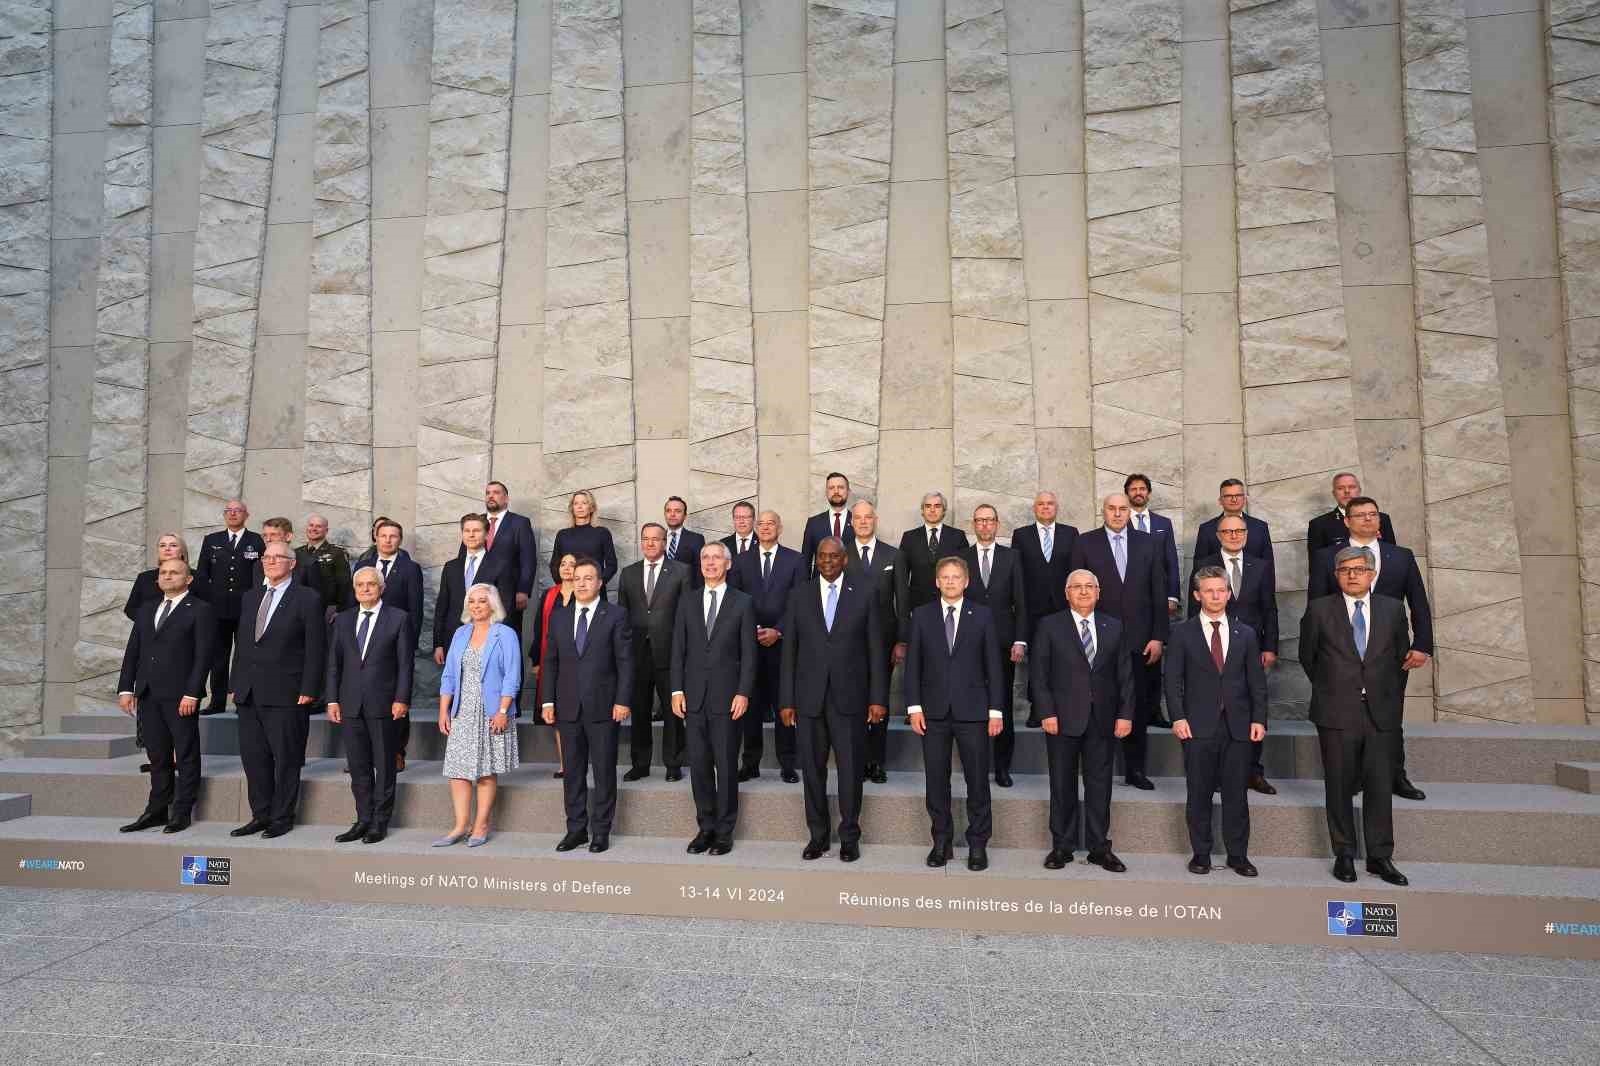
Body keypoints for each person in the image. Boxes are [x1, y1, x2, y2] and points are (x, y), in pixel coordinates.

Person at [1307, 496, 1432, 801]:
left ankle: (1394, 776)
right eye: (1359, 515)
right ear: (1346, 521)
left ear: (1380, 520)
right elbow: (1315, 606)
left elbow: (1418, 603)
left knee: (1389, 718)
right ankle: (1351, 779)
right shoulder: (1328, 558)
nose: (1367, 519)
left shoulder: (1400, 556)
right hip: (1342, 658)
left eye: (1372, 514)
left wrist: (1422, 645)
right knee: (1346, 721)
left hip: (1389, 655)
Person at [1300, 546, 1412, 886]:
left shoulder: (1393, 609)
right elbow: (1309, 658)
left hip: (1381, 713)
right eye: (1345, 569)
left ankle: (1380, 857)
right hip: (1336, 711)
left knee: (1380, 785)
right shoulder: (1319, 610)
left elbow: (1399, 659)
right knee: (1339, 784)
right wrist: (1339, 689)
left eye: (1359, 569)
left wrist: (1382, 694)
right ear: (1336, 575)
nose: (1352, 574)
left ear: (1372, 574)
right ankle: (1344, 854)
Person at [778, 537, 887, 862]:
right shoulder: (799, 595)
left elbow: (875, 650)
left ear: (845, 559)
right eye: (822, 557)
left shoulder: (865, 593)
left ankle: (849, 836)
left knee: (851, 770)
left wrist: (878, 698)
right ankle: (818, 836)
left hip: (850, 699)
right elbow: (789, 652)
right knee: (812, 770)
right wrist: (786, 701)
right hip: (808, 699)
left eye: (834, 557)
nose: (827, 562)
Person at [904, 556, 1005, 871]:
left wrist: (996, 711)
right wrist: (914, 707)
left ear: (966, 581)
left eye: (956, 576)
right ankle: (941, 842)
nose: (950, 582)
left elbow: (994, 667)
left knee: (977, 781)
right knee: (936, 780)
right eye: (945, 577)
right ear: (937, 582)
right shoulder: (921, 615)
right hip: (932, 712)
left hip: (973, 711)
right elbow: (913, 666)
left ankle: (977, 844)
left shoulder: (984, 616)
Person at [1166, 567, 1268, 877]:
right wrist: (1178, 716)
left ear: (1228, 593)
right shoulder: (1182, 633)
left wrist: (1259, 719)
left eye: (1220, 590)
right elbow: (1172, 680)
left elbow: (1257, 682)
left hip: (1237, 726)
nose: (1215, 595)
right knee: (1199, 792)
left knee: (1237, 793)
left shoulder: (1246, 633)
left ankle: (1238, 855)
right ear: (1197, 595)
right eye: (1208, 590)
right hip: (1197, 725)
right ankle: (1201, 853)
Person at [1031, 569, 1134, 872]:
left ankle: (1098, 848)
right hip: (1061, 720)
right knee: (1061, 784)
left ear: (1099, 592)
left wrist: (1125, 714)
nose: (1084, 591)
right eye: (1077, 587)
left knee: (1099, 786)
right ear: (1067, 593)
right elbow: (1039, 675)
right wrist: (1046, 712)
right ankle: (1061, 846)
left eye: (1090, 586)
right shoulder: (1050, 626)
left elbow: (1125, 676)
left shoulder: (1114, 626)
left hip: (1102, 719)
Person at [1069, 494, 1169, 790]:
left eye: (1122, 508)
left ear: (1131, 512)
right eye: (1111, 508)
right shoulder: (1085, 543)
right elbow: (1076, 591)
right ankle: (1096, 771)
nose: (1117, 513)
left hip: (1140, 642)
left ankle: (1135, 770)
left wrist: (1159, 636)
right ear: (1103, 511)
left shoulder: (1148, 543)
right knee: (1098, 704)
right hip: (1096, 641)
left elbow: (1158, 593)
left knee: (1135, 707)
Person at [228, 543, 326, 838]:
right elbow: (242, 644)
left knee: (286, 758)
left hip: (288, 692)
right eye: (266, 557)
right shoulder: (251, 597)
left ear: (292, 563)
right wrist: (235, 683)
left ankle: (282, 817)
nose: (270, 561)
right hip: (249, 692)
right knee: (254, 758)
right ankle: (261, 814)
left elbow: (316, 647)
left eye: (277, 557)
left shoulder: (307, 598)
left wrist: (310, 688)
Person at [115, 558, 214, 835]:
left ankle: (181, 811)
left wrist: (193, 692)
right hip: (148, 694)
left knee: (185, 754)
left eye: (175, 572)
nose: (168, 576)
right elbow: (133, 651)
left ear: (189, 578)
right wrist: (126, 688)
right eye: (164, 573)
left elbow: (203, 656)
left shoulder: (200, 610)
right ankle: (157, 810)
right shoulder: (147, 609)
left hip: (181, 696)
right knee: (157, 755)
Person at [540, 557, 632, 853]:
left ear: (600, 583)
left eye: (588, 578)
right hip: (567, 708)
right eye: (577, 578)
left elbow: (626, 663)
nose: (581, 583)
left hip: (604, 708)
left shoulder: (615, 615)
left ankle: (601, 832)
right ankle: (576, 829)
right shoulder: (559, 617)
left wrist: (622, 700)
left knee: (604, 772)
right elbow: (550, 663)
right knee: (573, 773)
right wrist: (547, 701)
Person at [671, 543, 757, 855]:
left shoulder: (743, 603)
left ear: (728, 564)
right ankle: (705, 827)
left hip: (727, 699)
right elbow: (678, 650)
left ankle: (724, 831)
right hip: (692, 698)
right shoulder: (687, 601)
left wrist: (743, 692)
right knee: (699, 765)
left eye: (716, 558)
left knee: (725, 765)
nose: (709, 562)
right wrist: (676, 690)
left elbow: (749, 654)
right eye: (704, 557)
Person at [1188, 514, 1280, 794]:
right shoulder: (1204, 565)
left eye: (1239, 531)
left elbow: (1270, 608)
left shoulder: (1261, 566)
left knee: (1253, 708)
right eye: (1227, 531)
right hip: (1213, 648)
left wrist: (1270, 646)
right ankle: (1217, 774)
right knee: (1216, 708)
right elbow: (1195, 611)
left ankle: (1253, 771)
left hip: (1250, 649)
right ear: (1218, 535)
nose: (1234, 535)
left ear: (1247, 534)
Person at [325, 566, 414, 845]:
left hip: (385, 704)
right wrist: (332, 699)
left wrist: (401, 698)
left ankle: (380, 821)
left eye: (371, 584)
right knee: (359, 766)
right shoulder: (343, 620)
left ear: (381, 588)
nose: (365, 589)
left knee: (385, 766)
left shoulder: (398, 619)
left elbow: (405, 665)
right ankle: (362, 819)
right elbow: (334, 665)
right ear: (354, 589)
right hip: (350, 704)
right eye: (360, 585)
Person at [435, 584, 522, 847]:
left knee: (485, 770)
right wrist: (444, 710)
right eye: (471, 601)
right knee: (457, 770)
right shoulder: (461, 633)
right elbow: (449, 675)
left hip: (492, 710)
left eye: (481, 601)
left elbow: (512, 676)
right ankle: (461, 825)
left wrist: (503, 710)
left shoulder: (504, 634)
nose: (476, 606)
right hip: (462, 710)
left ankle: (481, 824)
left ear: (492, 605)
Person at [727, 510, 805, 782]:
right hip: (749, 646)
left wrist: (779, 630)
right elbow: (734, 600)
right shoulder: (739, 560)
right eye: (761, 523)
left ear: (780, 527)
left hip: (783, 645)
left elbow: (799, 602)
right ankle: (750, 762)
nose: (765, 527)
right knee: (751, 706)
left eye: (771, 523)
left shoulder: (795, 560)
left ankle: (787, 763)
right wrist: (752, 631)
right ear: (754, 528)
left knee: (785, 702)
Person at [958, 504, 1027, 787]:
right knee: (971, 704)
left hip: (1002, 643)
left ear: (997, 524)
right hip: (968, 645)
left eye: (990, 520)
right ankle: (975, 766)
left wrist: (1020, 639)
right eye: (980, 521)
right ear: (973, 524)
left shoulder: (1012, 557)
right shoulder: (961, 558)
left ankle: (1001, 767)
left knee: (1001, 704)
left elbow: (1021, 601)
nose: (985, 525)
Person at [618, 523, 692, 781]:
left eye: (655, 539)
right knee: (639, 711)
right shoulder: (628, 573)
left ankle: (673, 764)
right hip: (637, 653)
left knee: (674, 712)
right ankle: (640, 764)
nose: (650, 544)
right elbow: (622, 616)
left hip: (670, 651)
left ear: (664, 543)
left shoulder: (682, 571)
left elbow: (687, 615)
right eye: (645, 539)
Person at [354, 519, 425, 770]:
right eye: (383, 535)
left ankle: (397, 751)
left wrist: (410, 644)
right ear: (375, 537)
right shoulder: (363, 565)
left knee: (398, 697)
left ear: (399, 540)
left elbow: (416, 609)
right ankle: (361, 756)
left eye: (393, 536)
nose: (387, 540)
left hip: (396, 643)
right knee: (360, 697)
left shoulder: (410, 568)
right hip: (364, 642)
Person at [1011, 490, 1079, 725]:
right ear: (1035, 508)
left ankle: (1062, 707)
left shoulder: (1070, 533)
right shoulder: (1021, 535)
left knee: (1064, 658)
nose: (1045, 507)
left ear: (1056, 507)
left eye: (1050, 503)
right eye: (1041, 504)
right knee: (1037, 660)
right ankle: (1037, 709)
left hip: (1064, 607)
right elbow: (1017, 572)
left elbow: (1075, 569)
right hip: (1033, 608)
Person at [844, 499, 899, 784]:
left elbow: (902, 600)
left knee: (879, 700)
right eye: (858, 518)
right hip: (848, 642)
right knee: (854, 700)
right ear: (851, 522)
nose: (863, 522)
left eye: (868, 517)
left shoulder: (893, 554)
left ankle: (876, 760)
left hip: (884, 641)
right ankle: (856, 759)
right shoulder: (839, 554)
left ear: (875, 520)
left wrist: (902, 640)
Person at [195, 499, 265, 713]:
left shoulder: (256, 541)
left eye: (238, 511)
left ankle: (243, 699)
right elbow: (202, 574)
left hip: (246, 608)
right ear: (225, 515)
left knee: (245, 655)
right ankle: (217, 701)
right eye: (229, 511)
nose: (233, 514)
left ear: (246, 515)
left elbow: (261, 575)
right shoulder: (211, 540)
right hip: (218, 609)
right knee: (218, 656)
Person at [435, 514, 517, 667]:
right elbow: (442, 607)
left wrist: (497, 640)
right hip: (453, 639)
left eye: (476, 531)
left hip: (488, 640)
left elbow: (506, 606)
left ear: (486, 534)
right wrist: (438, 643)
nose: (471, 535)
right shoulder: (451, 567)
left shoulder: (501, 565)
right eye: (467, 531)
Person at [894, 491, 969, 658]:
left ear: (944, 510)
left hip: (950, 611)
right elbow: (901, 584)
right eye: (928, 506)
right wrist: (904, 624)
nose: (932, 510)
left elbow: (964, 576)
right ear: (922, 511)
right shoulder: (909, 538)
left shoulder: (957, 537)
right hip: (918, 612)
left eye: (937, 506)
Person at [531, 552, 579, 779]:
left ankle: (579, 760)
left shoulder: (587, 593)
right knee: (558, 715)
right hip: (553, 663)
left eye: (572, 564)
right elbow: (538, 628)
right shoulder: (549, 595)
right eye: (563, 564)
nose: (567, 568)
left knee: (577, 713)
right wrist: (537, 661)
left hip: (580, 664)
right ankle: (565, 765)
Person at [469, 480, 539, 635]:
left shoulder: (520, 523)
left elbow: (528, 560)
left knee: (507, 638)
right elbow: (465, 557)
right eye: (488, 493)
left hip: (507, 594)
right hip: (476, 594)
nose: (490, 496)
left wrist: (523, 590)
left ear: (506, 498)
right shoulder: (475, 523)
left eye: (496, 492)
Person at [1306, 471, 1396, 560]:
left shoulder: (1382, 519)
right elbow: (1317, 565)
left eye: (1352, 487)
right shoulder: (1319, 525)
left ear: (1359, 490)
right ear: (1334, 493)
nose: (1347, 491)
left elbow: (1393, 555)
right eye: (1340, 488)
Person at [124, 532, 211, 619]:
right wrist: (150, 623)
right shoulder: (144, 578)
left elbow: (207, 609)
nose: (167, 548)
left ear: (182, 552)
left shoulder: (198, 577)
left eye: (173, 545)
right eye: (162, 545)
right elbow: (131, 609)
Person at [549, 489, 617, 596]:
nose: (579, 507)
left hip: (595, 592)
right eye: (576, 503)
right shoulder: (562, 535)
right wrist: (566, 586)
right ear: (572, 508)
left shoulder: (602, 533)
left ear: (591, 507)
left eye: (584, 503)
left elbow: (612, 565)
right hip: (568, 593)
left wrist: (597, 584)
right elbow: (554, 565)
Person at [1192, 479, 1273, 564]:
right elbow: (1199, 568)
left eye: (1238, 495)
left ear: (1244, 499)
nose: (1234, 499)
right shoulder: (1206, 529)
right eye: (1228, 496)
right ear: (1220, 500)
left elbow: (1268, 567)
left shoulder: (1260, 527)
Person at [297, 513, 354, 622]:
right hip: (300, 607)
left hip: (326, 609)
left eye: (318, 526)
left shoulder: (337, 553)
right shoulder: (297, 552)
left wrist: (340, 610)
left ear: (326, 530)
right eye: (311, 525)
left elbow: (344, 584)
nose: (313, 529)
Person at [248, 517, 324, 598]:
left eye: (273, 535)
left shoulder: (308, 565)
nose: (268, 539)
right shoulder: (258, 564)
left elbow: (316, 600)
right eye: (265, 535)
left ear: (288, 536)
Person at [800, 471, 852, 570]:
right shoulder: (813, 523)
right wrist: (806, 585)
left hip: (852, 583)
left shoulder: (858, 522)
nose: (836, 491)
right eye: (831, 488)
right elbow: (805, 561)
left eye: (841, 487)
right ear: (826, 492)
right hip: (820, 584)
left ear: (848, 491)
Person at [661, 496, 705, 581]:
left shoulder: (697, 539)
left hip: (686, 591)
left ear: (685, 516)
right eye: (668, 511)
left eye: (677, 511)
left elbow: (700, 572)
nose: (672, 514)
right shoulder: (658, 538)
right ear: (665, 514)